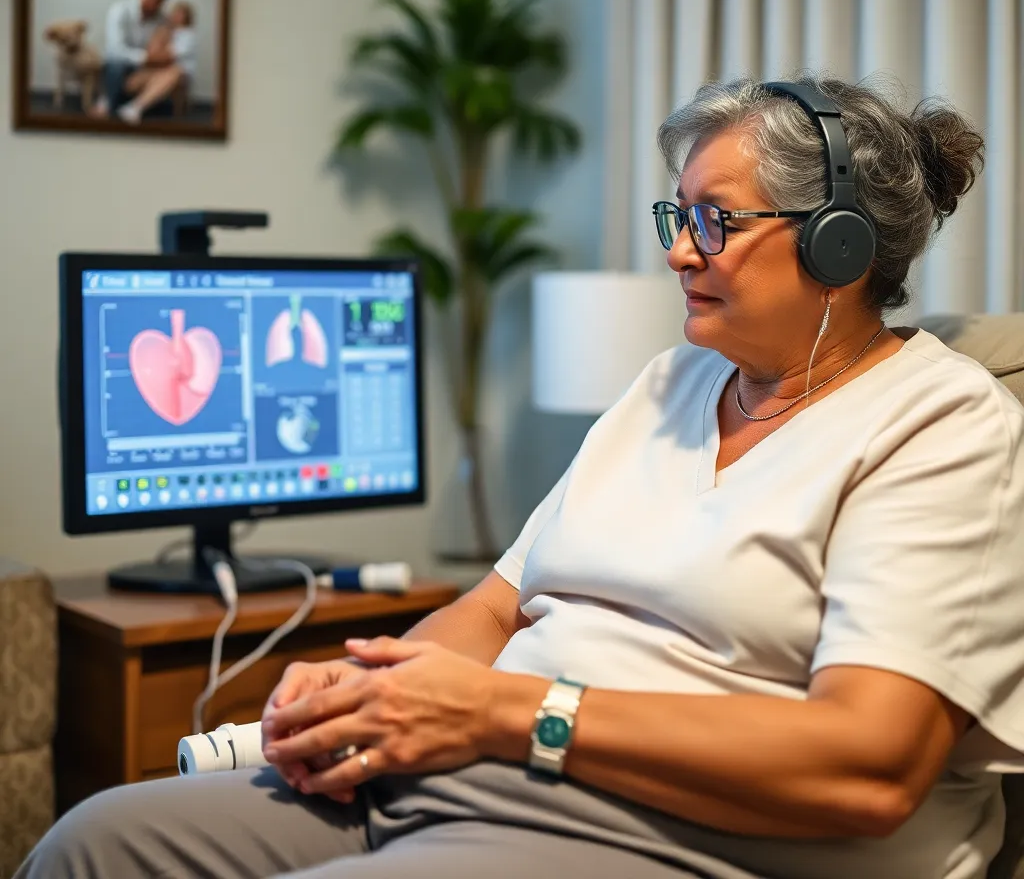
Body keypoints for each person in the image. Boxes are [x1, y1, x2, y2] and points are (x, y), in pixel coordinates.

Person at [19, 76, 1024, 879]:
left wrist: (503, 713)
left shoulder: (941, 428)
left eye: (714, 220)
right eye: (675, 216)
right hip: (483, 773)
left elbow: (867, 767)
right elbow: (497, 604)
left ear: (838, 244)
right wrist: (373, 686)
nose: (680, 253)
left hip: (676, 838)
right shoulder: (670, 384)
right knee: (95, 843)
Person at [90, 0, 172, 118]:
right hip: (117, 64)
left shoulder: (162, 19)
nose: (153, 1)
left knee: (174, 69)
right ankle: (107, 103)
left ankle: (134, 108)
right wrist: (146, 57)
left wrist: (160, 55)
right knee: (116, 62)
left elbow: (162, 46)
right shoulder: (120, 10)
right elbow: (116, 50)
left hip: (143, 66)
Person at [116, 0, 197, 124]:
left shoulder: (188, 35)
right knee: (132, 81)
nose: (176, 16)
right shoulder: (165, 30)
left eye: (181, 14)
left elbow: (169, 56)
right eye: (175, 13)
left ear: (187, 17)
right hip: (160, 67)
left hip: (179, 71)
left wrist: (154, 56)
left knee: (171, 73)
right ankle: (108, 102)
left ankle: (136, 107)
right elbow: (152, 50)